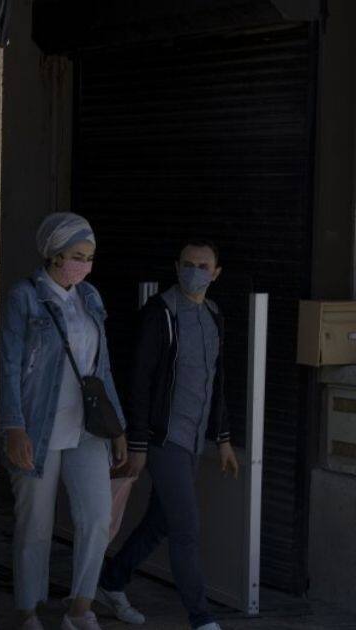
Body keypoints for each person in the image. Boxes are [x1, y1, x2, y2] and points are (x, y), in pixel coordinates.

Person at [97, 239, 240, 630]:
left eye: (204, 265)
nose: (196, 271)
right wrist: (139, 443)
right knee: (186, 528)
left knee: (161, 521)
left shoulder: (213, 315)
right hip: (164, 439)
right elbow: (139, 381)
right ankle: (201, 617)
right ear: (177, 267)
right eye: (189, 264)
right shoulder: (160, 313)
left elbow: (217, 381)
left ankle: (112, 579)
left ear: (216, 272)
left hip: (193, 441)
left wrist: (223, 439)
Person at [0, 212, 129, 630]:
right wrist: (12, 426)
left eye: (89, 257)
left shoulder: (90, 297)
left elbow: (102, 366)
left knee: (97, 518)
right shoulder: (25, 297)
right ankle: (27, 610)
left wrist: (118, 426)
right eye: (76, 256)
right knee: (35, 524)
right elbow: (9, 365)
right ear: (54, 255)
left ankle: (80, 608)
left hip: (87, 429)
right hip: (37, 427)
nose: (84, 265)